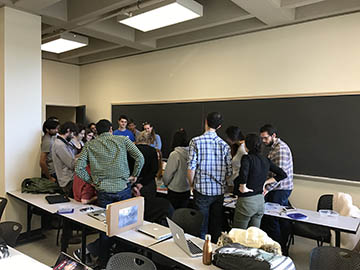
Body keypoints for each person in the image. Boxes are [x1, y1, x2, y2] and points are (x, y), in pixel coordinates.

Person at [75, 119, 144, 268]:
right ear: (111, 129)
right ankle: (123, 262)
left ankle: (104, 262)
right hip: (123, 188)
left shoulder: (89, 145)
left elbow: (78, 168)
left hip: (103, 191)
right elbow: (140, 157)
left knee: (106, 227)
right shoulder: (122, 140)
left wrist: (92, 181)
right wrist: (134, 175)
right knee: (124, 227)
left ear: (96, 132)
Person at [187, 112, 232, 242]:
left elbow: (191, 168)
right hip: (219, 192)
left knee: (201, 226)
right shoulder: (225, 145)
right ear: (219, 126)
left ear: (206, 122)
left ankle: (200, 254)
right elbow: (229, 173)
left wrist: (192, 184)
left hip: (201, 190)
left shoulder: (195, 141)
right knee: (216, 226)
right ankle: (214, 253)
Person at [233, 133, 287, 229]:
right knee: (254, 236)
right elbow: (282, 174)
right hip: (260, 202)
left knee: (238, 235)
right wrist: (266, 182)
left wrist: (243, 186)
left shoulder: (247, 158)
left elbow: (244, 172)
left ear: (247, 145)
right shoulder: (265, 160)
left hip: (247, 201)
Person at [259, 124, 294, 254]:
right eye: (261, 138)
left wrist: (266, 188)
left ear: (273, 136)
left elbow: (280, 176)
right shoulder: (273, 148)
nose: (263, 141)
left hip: (280, 188)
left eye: (265, 138)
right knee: (278, 219)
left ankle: (278, 250)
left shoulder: (281, 150)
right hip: (275, 188)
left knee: (272, 218)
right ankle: (279, 246)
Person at [163, 128, 190, 209]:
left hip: (174, 190)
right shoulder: (191, 153)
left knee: (173, 215)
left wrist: (165, 183)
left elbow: (168, 174)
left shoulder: (174, 154)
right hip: (186, 189)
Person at [52, 121, 78, 197]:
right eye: (73, 133)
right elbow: (71, 164)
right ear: (68, 131)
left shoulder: (63, 143)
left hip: (68, 179)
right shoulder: (60, 145)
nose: (73, 136)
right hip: (67, 181)